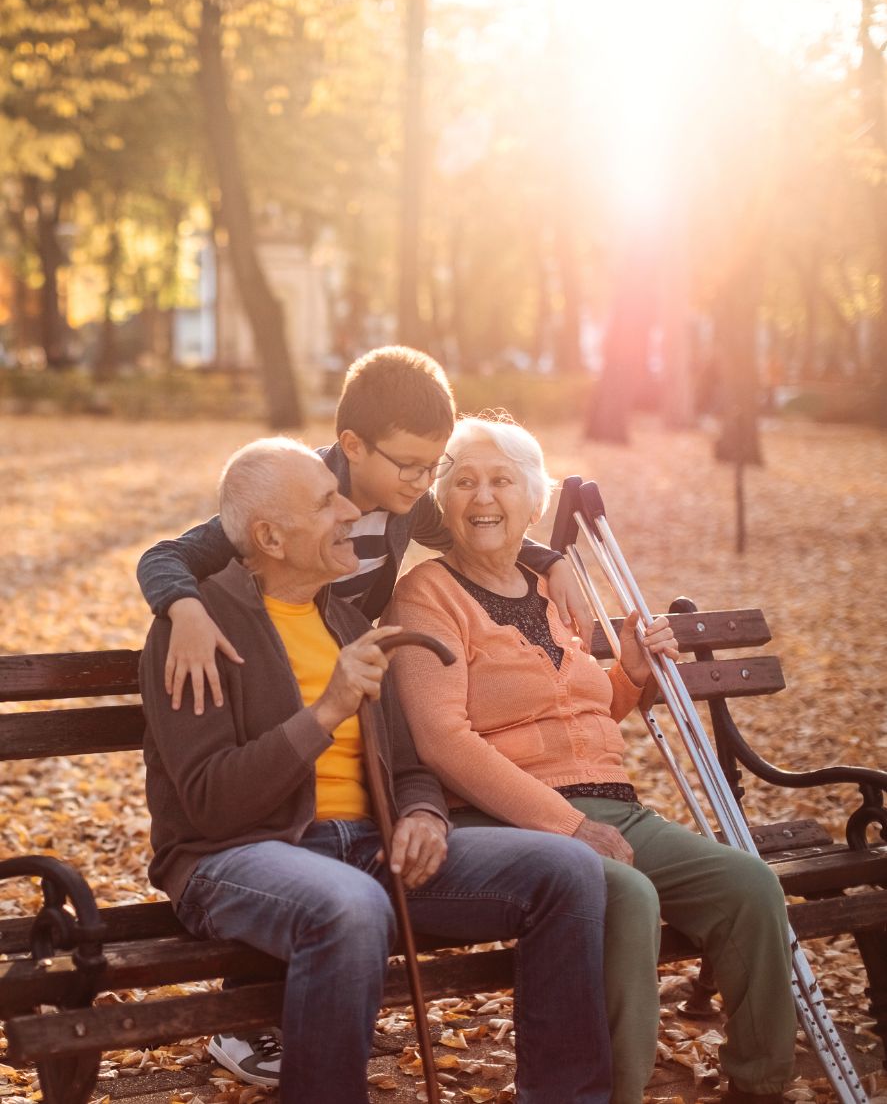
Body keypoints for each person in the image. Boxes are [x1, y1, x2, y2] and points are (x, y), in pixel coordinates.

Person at [140, 436, 613, 1104]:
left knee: (567, 869)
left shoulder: (343, 617)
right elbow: (211, 804)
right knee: (350, 906)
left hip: (365, 845)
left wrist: (422, 811)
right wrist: (326, 709)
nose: (347, 513)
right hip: (233, 856)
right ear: (270, 536)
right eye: (325, 501)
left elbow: (408, 761)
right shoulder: (195, 631)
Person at [385, 414, 797, 1104]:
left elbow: (581, 712)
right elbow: (442, 740)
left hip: (616, 807)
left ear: (533, 498)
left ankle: (759, 1087)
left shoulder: (550, 588)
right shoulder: (425, 595)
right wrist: (568, 826)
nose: (481, 497)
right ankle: (614, 1095)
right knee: (627, 896)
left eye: (500, 480)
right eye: (462, 481)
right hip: (510, 822)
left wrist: (630, 673)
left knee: (749, 885)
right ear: (442, 501)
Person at [137, 345, 592, 716]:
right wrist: (187, 611)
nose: (422, 482)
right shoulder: (294, 494)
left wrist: (550, 562)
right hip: (267, 677)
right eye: (409, 466)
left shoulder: (408, 505)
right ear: (353, 446)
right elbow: (164, 557)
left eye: (434, 466)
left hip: (345, 676)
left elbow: (473, 532)